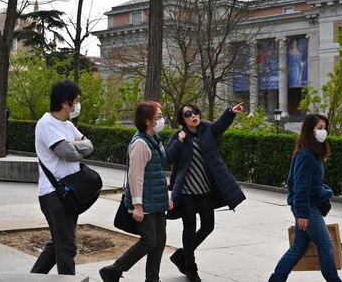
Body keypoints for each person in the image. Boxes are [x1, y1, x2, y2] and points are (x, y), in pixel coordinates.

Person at [166, 103, 246, 282]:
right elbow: (168, 157)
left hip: (205, 191)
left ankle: (182, 254)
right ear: (183, 119)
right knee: (189, 228)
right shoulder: (178, 136)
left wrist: (230, 112)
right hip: (186, 192)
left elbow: (221, 125)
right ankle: (190, 268)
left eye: (195, 112)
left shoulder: (208, 130)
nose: (193, 115)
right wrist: (179, 142)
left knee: (208, 226)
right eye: (188, 114)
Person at [99, 101, 173, 282]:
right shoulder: (140, 143)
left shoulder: (154, 140)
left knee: (159, 242)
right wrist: (137, 206)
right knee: (149, 241)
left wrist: (166, 197)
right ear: (147, 121)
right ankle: (114, 270)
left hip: (156, 200)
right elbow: (135, 176)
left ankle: (152, 279)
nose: (162, 120)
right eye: (158, 117)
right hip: (144, 202)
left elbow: (156, 173)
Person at [30, 79, 93, 275]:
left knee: (57, 244)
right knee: (67, 248)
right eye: (77, 100)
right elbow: (68, 153)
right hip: (53, 194)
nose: (78, 104)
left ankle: (31, 278)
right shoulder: (46, 124)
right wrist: (74, 146)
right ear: (66, 103)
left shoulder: (67, 124)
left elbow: (89, 145)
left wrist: (73, 145)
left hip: (69, 192)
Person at [268, 113, 341, 282]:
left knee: (298, 248)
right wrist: (302, 213)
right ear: (310, 130)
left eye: (324, 128)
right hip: (308, 208)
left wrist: (323, 190)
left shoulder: (313, 153)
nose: (323, 131)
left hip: (307, 207)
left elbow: (311, 183)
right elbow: (300, 187)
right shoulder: (306, 155)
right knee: (326, 246)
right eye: (319, 128)